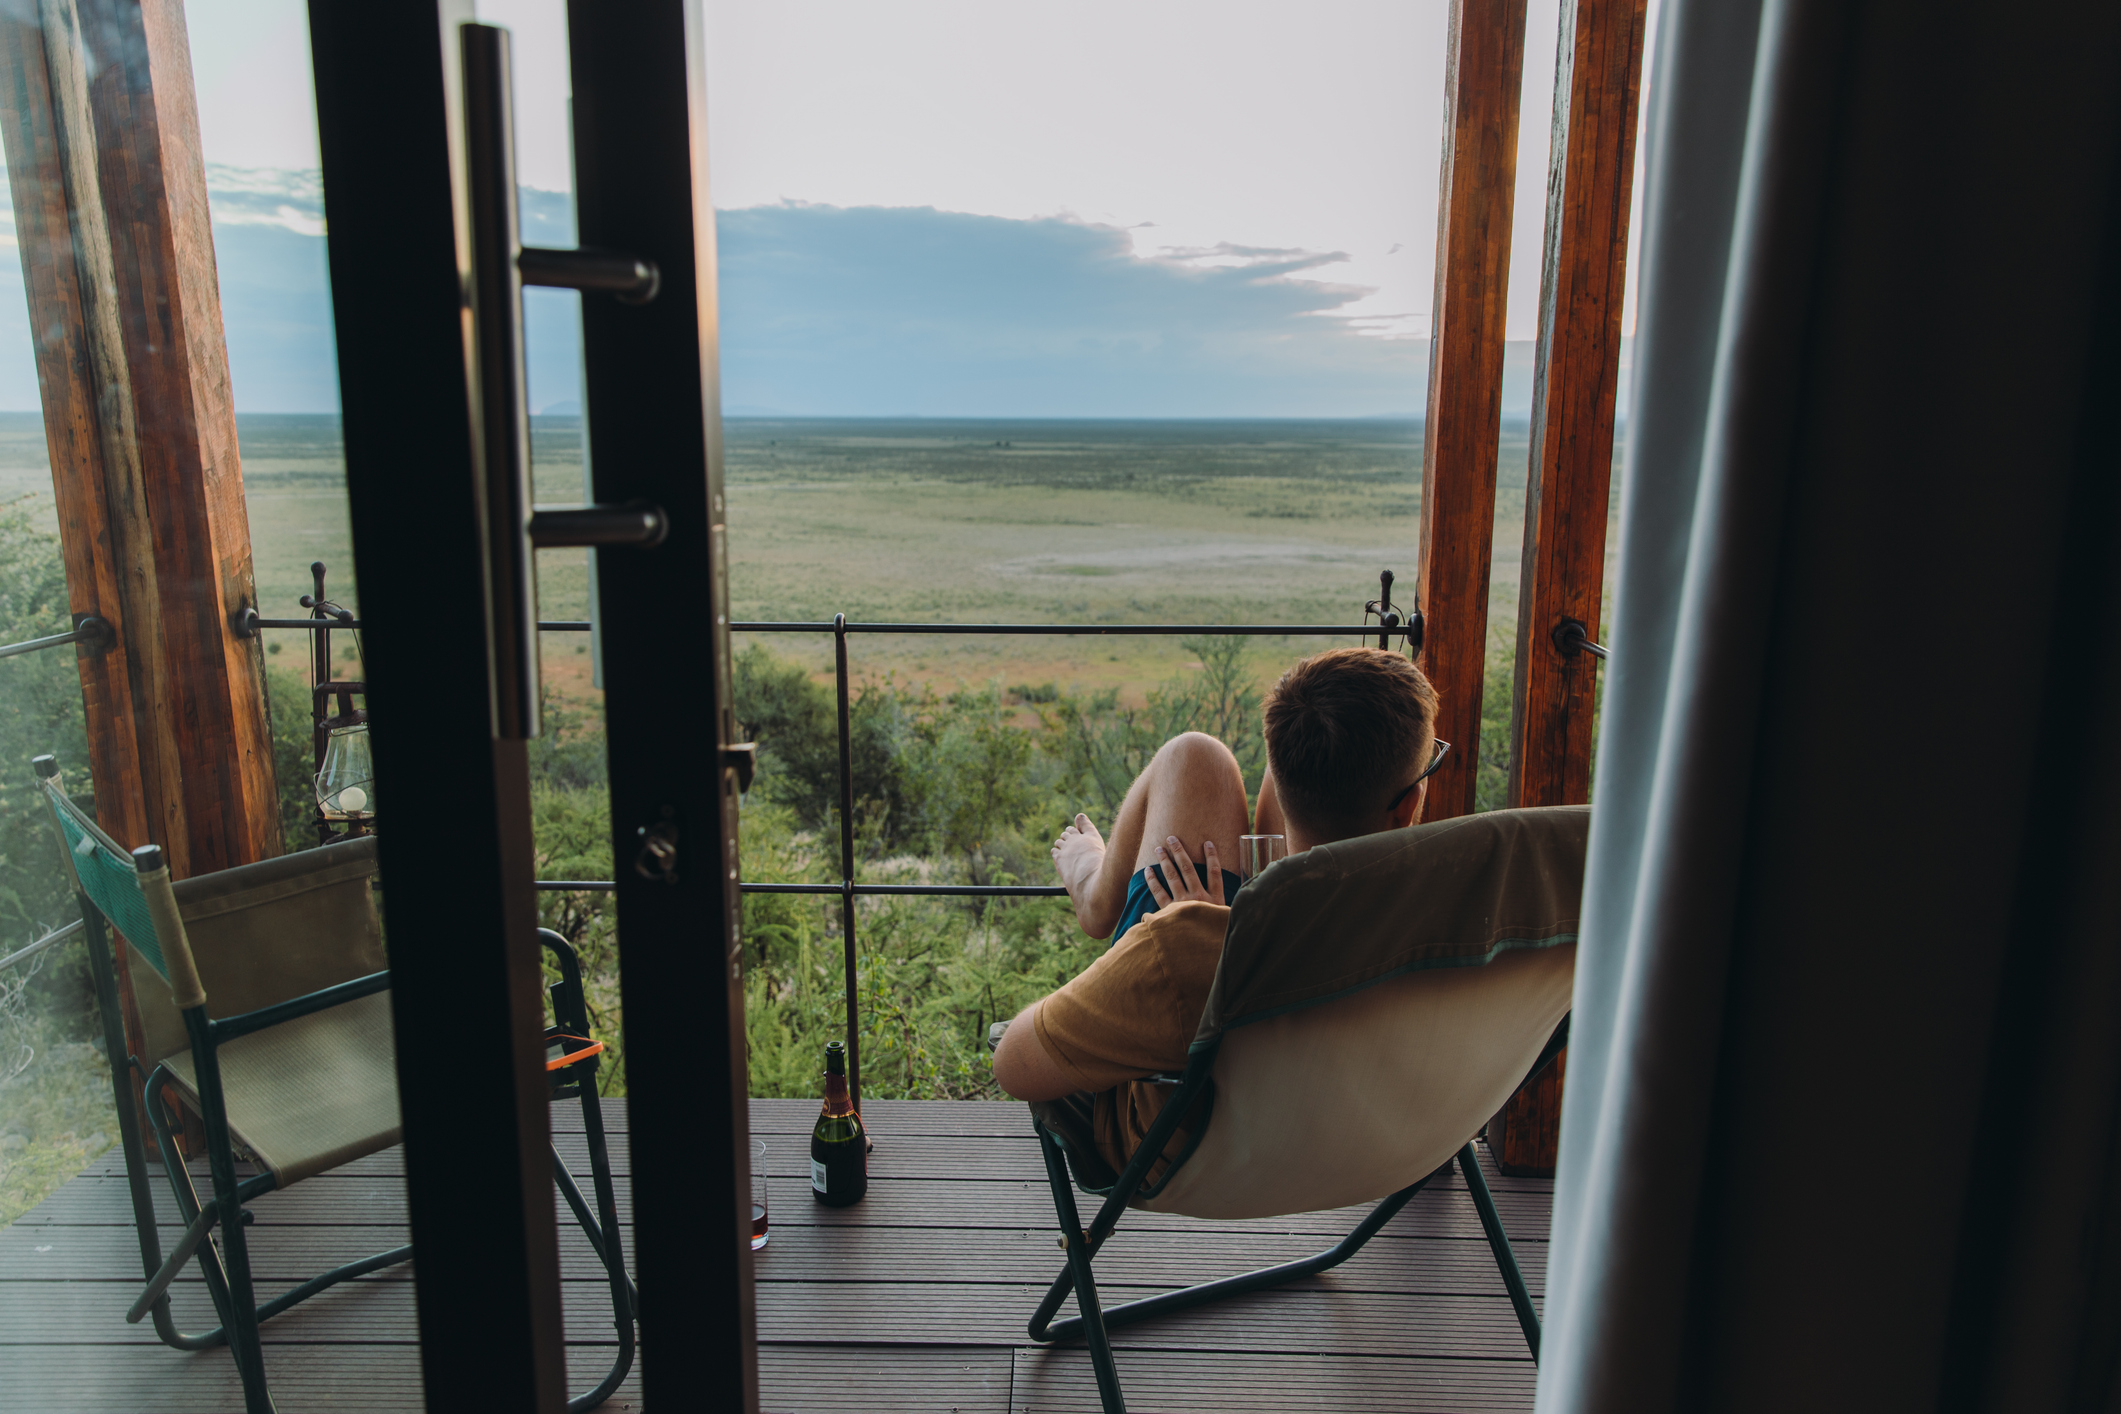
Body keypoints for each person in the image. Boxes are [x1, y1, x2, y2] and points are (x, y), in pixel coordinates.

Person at [990, 646, 1445, 1173]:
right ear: (1409, 803)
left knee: (1193, 757)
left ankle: (1095, 889)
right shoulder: (1455, 902)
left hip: (1193, 1141)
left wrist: (1199, 939)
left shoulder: (1186, 953)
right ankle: (1268, 891)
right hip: (1376, 1134)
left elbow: (1014, 1065)